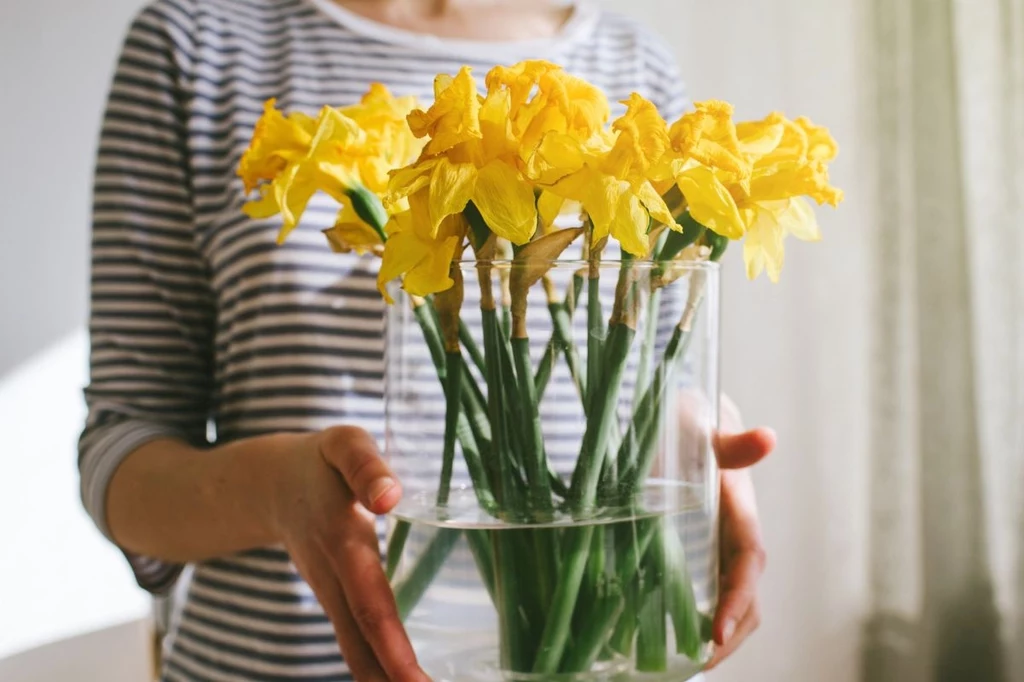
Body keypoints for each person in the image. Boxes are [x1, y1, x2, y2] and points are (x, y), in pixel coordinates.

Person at [79, 0, 774, 679]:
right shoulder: (196, 42)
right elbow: (121, 452)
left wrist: (687, 428)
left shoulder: (631, 58)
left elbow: (643, 366)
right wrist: (275, 494)